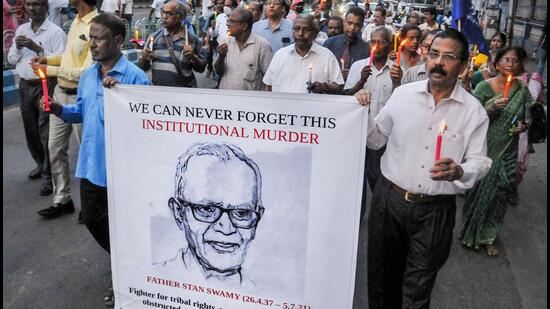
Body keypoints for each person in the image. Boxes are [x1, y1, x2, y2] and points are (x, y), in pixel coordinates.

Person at [355, 29, 492, 308]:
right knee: (382, 280)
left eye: (449, 57)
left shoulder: (473, 111)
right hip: (389, 202)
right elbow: (377, 139)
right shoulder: (403, 95)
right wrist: (362, 113)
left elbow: (481, 162)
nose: (438, 62)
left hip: (434, 211)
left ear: (463, 65)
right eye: (434, 55)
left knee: (417, 290)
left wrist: (459, 171)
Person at [42, 13, 150, 307]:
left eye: (99, 38)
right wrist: (59, 110)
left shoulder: (135, 79)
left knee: (125, 228)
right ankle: (127, 266)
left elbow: (147, 124)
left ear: (118, 40)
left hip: (122, 172)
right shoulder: (90, 75)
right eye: (90, 37)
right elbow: (82, 110)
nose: (92, 44)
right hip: (91, 167)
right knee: (93, 220)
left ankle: (126, 280)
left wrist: (124, 98)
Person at [460, 47, 536, 258]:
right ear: (496, 64)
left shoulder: (522, 89)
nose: (510, 64)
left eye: (515, 61)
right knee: (481, 190)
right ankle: (471, 231)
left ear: (521, 66)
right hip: (485, 147)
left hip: (508, 149)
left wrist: (523, 125)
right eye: (506, 60)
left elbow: (529, 118)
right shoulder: (485, 86)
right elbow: (472, 118)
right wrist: (492, 108)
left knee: (500, 194)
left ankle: (489, 237)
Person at [30, 0, 98, 220]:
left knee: (87, 153)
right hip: (60, 93)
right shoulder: (75, 21)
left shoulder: (96, 25)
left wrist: (48, 69)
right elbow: (69, 58)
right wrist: (48, 59)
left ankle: (90, 203)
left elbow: (87, 71)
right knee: (55, 148)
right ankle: (62, 199)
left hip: (82, 97)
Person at [162, 142, 264, 288]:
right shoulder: (152, 278)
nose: (226, 229)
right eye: (207, 209)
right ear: (178, 212)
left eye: (242, 212)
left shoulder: (267, 296)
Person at [7, 0, 66, 196]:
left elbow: (61, 59)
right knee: (30, 129)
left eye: (37, 4)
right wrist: (17, 46)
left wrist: (36, 48)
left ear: (46, 7)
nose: (32, 8)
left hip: (46, 84)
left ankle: (49, 176)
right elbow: (12, 59)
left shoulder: (55, 32)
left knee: (45, 131)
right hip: (25, 85)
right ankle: (40, 163)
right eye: (29, 4)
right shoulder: (22, 29)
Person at [344, 27, 398, 219]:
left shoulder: (397, 70)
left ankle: (380, 216)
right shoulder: (359, 66)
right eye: (372, 41)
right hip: (358, 133)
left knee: (378, 180)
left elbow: (401, 105)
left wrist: (397, 83)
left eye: (381, 42)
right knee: (356, 181)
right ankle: (355, 219)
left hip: (382, 135)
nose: (376, 46)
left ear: (390, 45)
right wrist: (360, 82)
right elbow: (346, 97)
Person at [263, 15, 344, 94]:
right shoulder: (280, 55)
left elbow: (338, 86)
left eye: (306, 30)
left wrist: (324, 87)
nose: (300, 33)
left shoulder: (327, 56)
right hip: (282, 106)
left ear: (316, 33)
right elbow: (268, 85)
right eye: (296, 29)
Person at [139, 0, 206, 87]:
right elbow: (143, 68)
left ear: (181, 17)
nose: (164, 17)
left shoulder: (192, 40)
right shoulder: (154, 38)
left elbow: (201, 69)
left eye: (169, 14)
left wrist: (193, 57)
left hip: (184, 93)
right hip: (160, 92)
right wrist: (144, 58)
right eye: (163, 12)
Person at [214, 8, 272, 90]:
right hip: (226, 98)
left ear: (244, 26)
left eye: (232, 21)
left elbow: (269, 79)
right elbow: (218, 71)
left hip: (251, 100)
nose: (228, 24)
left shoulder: (262, 45)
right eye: (228, 21)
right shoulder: (225, 42)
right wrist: (221, 56)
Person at [323, 6, 369, 81]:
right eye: (349, 23)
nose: (352, 28)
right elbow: (321, 68)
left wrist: (353, 75)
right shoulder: (329, 43)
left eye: (357, 25)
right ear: (344, 22)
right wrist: (337, 74)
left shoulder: (366, 49)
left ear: (361, 26)